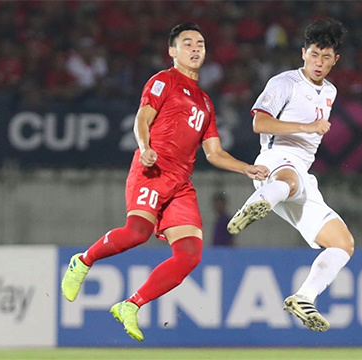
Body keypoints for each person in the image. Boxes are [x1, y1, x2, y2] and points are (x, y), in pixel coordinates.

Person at [61, 23, 269, 342]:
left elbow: (213, 153)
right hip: (153, 169)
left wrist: (247, 169)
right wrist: (145, 148)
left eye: (200, 43)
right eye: (187, 44)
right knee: (136, 233)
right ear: (173, 51)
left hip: (180, 185)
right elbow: (143, 118)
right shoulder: (164, 81)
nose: (196, 48)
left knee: (190, 255)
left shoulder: (206, 102)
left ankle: (131, 305)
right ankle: (83, 261)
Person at [227, 18, 354, 332]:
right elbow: (260, 123)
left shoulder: (331, 91)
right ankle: (253, 205)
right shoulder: (284, 82)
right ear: (303, 53)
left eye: (325, 57)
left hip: (301, 176)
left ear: (335, 60)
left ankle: (303, 297)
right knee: (290, 180)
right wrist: (307, 127)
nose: (318, 63)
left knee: (343, 244)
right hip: (274, 161)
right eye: (313, 55)